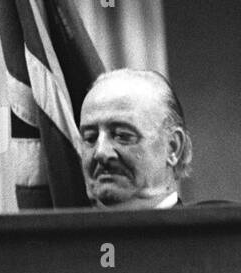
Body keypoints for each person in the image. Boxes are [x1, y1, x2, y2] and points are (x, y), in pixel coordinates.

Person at [78, 68, 194, 209]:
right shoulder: (60, 231)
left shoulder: (216, 229)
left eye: (122, 136)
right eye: (90, 138)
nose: (101, 152)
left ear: (173, 147)